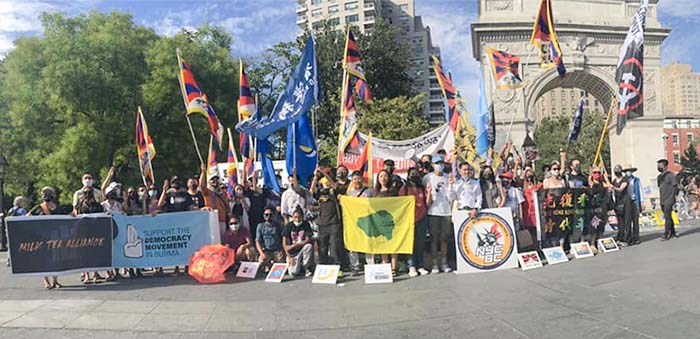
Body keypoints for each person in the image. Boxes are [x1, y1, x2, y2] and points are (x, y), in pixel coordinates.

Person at [28, 187, 65, 289]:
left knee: (56, 258)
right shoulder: (38, 208)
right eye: (44, 193)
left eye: (48, 193)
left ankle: (55, 281)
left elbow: (65, 217)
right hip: (42, 237)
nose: (46, 195)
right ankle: (46, 281)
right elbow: (27, 217)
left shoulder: (58, 208)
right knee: (44, 259)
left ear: (53, 195)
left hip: (55, 236)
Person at [158, 176, 196, 275]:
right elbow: (160, 204)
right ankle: (176, 266)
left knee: (186, 244)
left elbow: (191, 206)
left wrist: (201, 210)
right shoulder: (169, 194)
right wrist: (164, 190)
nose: (176, 183)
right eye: (174, 182)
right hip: (173, 223)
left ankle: (186, 266)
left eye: (177, 181)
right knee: (176, 245)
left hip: (185, 223)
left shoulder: (185, 194)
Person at [423, 154, 454, 274]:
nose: (439, 165)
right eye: (437, 163)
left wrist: (451, 184)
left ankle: (444, 262)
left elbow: (451, 196)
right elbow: (426, 194)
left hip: (446, 211)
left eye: (441, 163)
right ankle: (435, 263)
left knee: (444, 239)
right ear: (432, 165)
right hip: (433, 212)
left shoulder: (447, 177)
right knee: (434, 239)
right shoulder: (427, 178)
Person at [310, 167, 342, 272]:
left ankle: (337, 268)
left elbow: (334, 185)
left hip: (334, 222)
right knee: (322, 246)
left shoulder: (334, 189)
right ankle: (323, 267)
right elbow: (312, 190)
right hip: (322, 223)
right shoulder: (320, 191)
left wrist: (324, 173)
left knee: (335, 246)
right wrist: (316, 176)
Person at [401, 167, 429, 277]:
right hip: (409, 220)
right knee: (410, 244)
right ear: (408, 176)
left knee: (420, 243)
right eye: (412, 174)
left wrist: (430, 192)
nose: (414, 175)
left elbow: (427, 202)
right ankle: (411, 266)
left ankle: (420, 265)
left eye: (416, 174)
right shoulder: (405, 189)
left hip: (422, 218)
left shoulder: (421, 188)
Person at [345, 171, 373, 271]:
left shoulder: (369, 191)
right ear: (352, 181)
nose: (357, 181)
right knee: (353, 244)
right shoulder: (349, 193)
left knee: (368, 242)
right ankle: (355, 265)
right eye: (355, 179)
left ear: (362, 179)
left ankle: (370, 265)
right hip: (353, 222)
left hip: (367, 221)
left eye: (358, 178)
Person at [374, 169, 400, 275]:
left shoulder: (393, 191)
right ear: (378, 179)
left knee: (393, 244)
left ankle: (394, 267)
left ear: (388, 178)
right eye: (381, 176)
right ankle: (385, 266)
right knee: (382, 244)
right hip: (380, 222)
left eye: (385, 176)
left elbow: (399, 204)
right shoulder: (375, 192)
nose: (383, 178)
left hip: (392, 222)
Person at [283, 207, 314, 277]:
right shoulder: (288, 226)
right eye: (295, 217)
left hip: (302, 249)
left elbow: (308, 239)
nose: (297, 219)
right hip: (292, 252)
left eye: (299, 217)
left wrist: (298, 244)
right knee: (293, 273)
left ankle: (307, 267)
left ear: (302, 217)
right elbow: (284, 245)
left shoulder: (306, 224)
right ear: (293, 217)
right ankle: (298, 266)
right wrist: (289, 256)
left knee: (309, 246)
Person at [199, 165, 230, 237]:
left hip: (222, 220)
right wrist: (203, 172)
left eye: (216, 179)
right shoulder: (207, 192)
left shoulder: (223, 193)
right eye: (212, 179)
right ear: (209, 181)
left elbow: (227, 207)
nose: (214, 181)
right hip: (211, 219)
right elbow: (201, 184)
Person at [588, 167, 612, 253]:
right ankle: (592, 244)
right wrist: (590, 182)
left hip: (603, 208)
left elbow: (610, 187)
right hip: (594, 209)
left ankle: (600, 242)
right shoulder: (590, 183)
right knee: (594, 226)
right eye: (594, 172)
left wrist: (606, 178)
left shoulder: (603, 183)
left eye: (598, 172)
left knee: (602, 226)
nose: (597, 174)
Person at [256, 207, 285, 272]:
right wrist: (261, 253)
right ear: (263, 216)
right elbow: (257, 241)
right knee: (261, 261)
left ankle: (272, 265)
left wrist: (282, 250)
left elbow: (284, 239)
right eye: (266, 214)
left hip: (277, 251)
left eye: (270, 215)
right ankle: (268, 265)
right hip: (266, 251)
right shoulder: (260, 226)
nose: (268, 216)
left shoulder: (279, 225)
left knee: (280, 269)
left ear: (274, 215)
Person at [657, 159, 678, 241]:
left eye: (660, 165)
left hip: (669, 199)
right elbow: (660, 187)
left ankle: (666, 234)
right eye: (658, 166)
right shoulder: (659, 177)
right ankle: (673, 233)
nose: (659, 167)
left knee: (667, 216)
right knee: (668, 216)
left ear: (665, 166)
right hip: (662, 199)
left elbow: (675, 186)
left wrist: (674, 196)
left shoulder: (670, 175)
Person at [612, 165, 632, 246]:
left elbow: (621, 189)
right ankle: (620, 237)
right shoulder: (614, 180)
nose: (617, 172)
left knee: (627, 221)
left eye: (618, 170)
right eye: (615, 170)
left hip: (626, 202)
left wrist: (613, 187)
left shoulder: (625, 179)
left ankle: (627, 239)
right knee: (620, 222)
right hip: (618, 202)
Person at [521, 166, 542, 242]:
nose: (529, 177)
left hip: (537, 211)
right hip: (527, 213)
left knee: (538, 231)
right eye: (527, 175)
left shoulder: (539, 185)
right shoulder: (523, 187)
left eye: (530, 174)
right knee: (530, 233)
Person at [624, 165, 643, 245]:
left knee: (635, 220)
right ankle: (628, 238)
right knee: (627, 220)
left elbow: (640, 190)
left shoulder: (636, 180)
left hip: (635, 201)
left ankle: (636, 238)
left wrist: (642, 201)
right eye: (627, 171)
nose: (628, 172)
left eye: (629, 170)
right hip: (627, 202)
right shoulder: (623, 180)